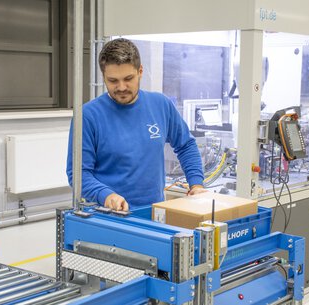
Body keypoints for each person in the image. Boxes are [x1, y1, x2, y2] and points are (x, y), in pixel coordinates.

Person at [67, 38, 206, 211]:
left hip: (154, 212)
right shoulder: (87, 116)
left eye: (128, 78)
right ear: (103, 77)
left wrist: (196, 184)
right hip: (107, 216)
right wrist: (106, 195)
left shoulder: (160, 105)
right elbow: (78, 174)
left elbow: (186, 145)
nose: (122, 87)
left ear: (140, 71)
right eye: (113, 81)